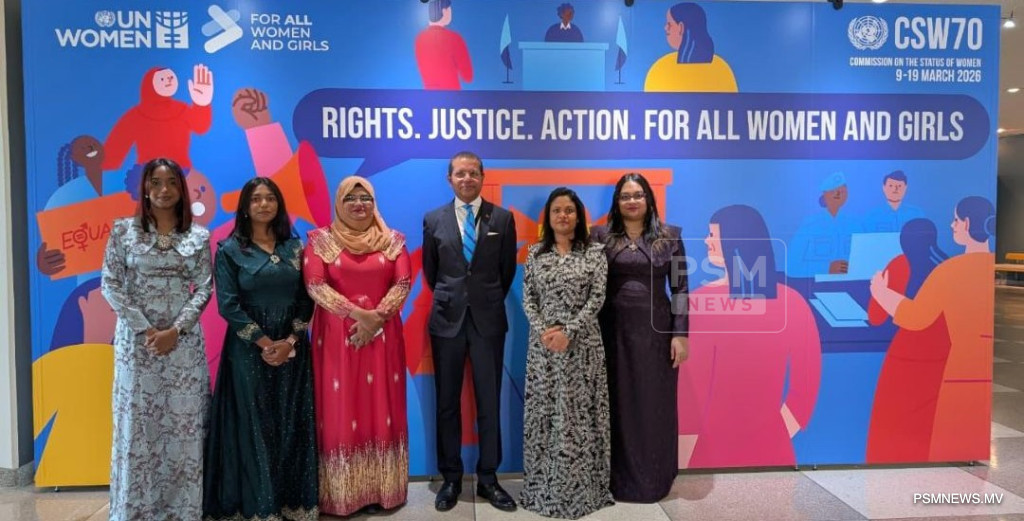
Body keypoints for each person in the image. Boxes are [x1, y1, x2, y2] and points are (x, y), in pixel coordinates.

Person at [100, 157, 212, 520]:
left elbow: (205, 288)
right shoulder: (123, 232)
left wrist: (175, 331)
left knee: (183, 428)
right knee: (139, 427)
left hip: (183, 346)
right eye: (156, 183)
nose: (164, 190)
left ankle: (182, 511)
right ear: (145, 189)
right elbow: (110, 283)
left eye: (172, 183)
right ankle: (136, 510)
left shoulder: (198, 237)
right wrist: (147, 330)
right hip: (138, 345)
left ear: (182, 189)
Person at [203, 177, 318, 521]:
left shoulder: (295, 248)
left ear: (279, 205)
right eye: (256, 199)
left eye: (270, 198)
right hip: (247, 350)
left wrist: (290, 342)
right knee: (255, 423)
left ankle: (291, 502)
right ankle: (261, 506)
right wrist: (267, 344)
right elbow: (228, 304)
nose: (264, 204)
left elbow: (307, 297)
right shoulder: (229, 250)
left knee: (290, 420)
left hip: (293, 348)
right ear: (245, 207)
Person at [678, 205, 821, 468]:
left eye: (713, 234)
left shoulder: (698, 303)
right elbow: (805, 389)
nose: (707, 241)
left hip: (713, 452)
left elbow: (689, 392)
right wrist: (775, 434)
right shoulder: (792, 302)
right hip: (768, 449)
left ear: (736, 239)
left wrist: (684, 456)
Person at [304, 176, 412, 516]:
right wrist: (359, 315)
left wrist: (375, 320)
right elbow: (315, 285)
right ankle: (342, 495)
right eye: (350, 198)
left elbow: (402, 282)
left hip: (382, 340)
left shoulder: (392, 241)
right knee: (340, 409)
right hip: (337, 341)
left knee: (382, 406)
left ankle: (385, 490)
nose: (358, 204)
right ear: (339, 202)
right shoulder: (320, 240)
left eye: (365, 198)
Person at [422, 151, 518, 512]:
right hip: (446, 321)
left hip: (488, 322)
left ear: (482, 177)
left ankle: (489, 478)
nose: (467, 179)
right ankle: (451, 478)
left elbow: (506, 271)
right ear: (450, 179)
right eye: (460, 174)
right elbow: (431, 272)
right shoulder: (434, 219)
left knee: (488, 402)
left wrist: (483, 299)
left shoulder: (502, 218)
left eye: (473, 173)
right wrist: (455, 298)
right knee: (447, 403)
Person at [870, 196, 995, 461]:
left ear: (967, 223)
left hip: (958, 369)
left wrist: (881, 292)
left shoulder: (952, 270)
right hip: (982, 366)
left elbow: (915, 317)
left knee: (946, 431)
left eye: (956, 220)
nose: (952, 225)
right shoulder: (989, 267)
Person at [590, 173, 688, 502]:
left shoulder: (670, 237)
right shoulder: (599, 237)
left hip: (656, 336)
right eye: (625, 196)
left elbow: (680, 289)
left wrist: (681, 334)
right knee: (615, 404)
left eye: (638, 195)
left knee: (652, 404)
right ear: (616, 202)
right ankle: (614, 480)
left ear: (648, 199)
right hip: (610, 333)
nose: (632, 201)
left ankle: (654, 480)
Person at [520, 187, 613, 519]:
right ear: (548, 217)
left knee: (579, 417)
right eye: (557, 210)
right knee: (545, 416)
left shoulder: (594, 253)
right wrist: (546, 331)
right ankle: (541, 489)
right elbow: (528, 298)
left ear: (579, 216)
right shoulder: (535, 254)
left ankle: (584, 492)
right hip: (543, 349)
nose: (563, 216)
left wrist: (568, 332)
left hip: (582, 348)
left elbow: (597, 298)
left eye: (569, 210)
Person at [865, 218, 949, 463]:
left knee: (892, 415)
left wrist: (878, 290)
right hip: (942, 355)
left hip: (906, 356)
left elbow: (875, 318)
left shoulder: (899, 264)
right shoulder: (948, 267)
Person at [644, 3, 737, 92]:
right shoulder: (722, 69)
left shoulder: (660, 68)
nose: (666, 28)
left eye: (669, 24)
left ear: (681, 27)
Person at [787, 172, 861, 277]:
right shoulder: (810, 225)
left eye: (842, 191)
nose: (839, 194)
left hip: (853, 284)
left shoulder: (855, 225)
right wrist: (826, 269)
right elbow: (791, 267)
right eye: (833, 191)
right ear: (824, 195)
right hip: (818, 285)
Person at [415, 0, 474, 90]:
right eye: (450, 10)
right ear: (444, 11)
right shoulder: (454, 38)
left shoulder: (419, 39)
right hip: (452, 96)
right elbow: (467, 77)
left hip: (429, 96)